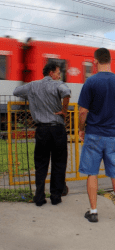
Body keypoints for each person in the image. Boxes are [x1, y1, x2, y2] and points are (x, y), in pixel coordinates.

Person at [78, 48, 115, 223]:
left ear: (95, 61)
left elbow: (82, 111)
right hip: (112, 135)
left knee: (92, 173)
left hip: (93, 134)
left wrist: (81, 129)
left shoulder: (90, 82)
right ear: (110, 60)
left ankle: (93, 212)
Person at [13, 61, 71, 206]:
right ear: (51, 73)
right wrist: (64, 110)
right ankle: (55, 197)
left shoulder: (32, 85)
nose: (59, 76)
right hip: (57, 129)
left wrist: (32, 97)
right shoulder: (57, 84)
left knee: (41, 163)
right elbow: (66, 92)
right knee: (59, 163)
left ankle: (39, 197)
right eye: (58, 73)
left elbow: (16, 92)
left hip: (42, 130)